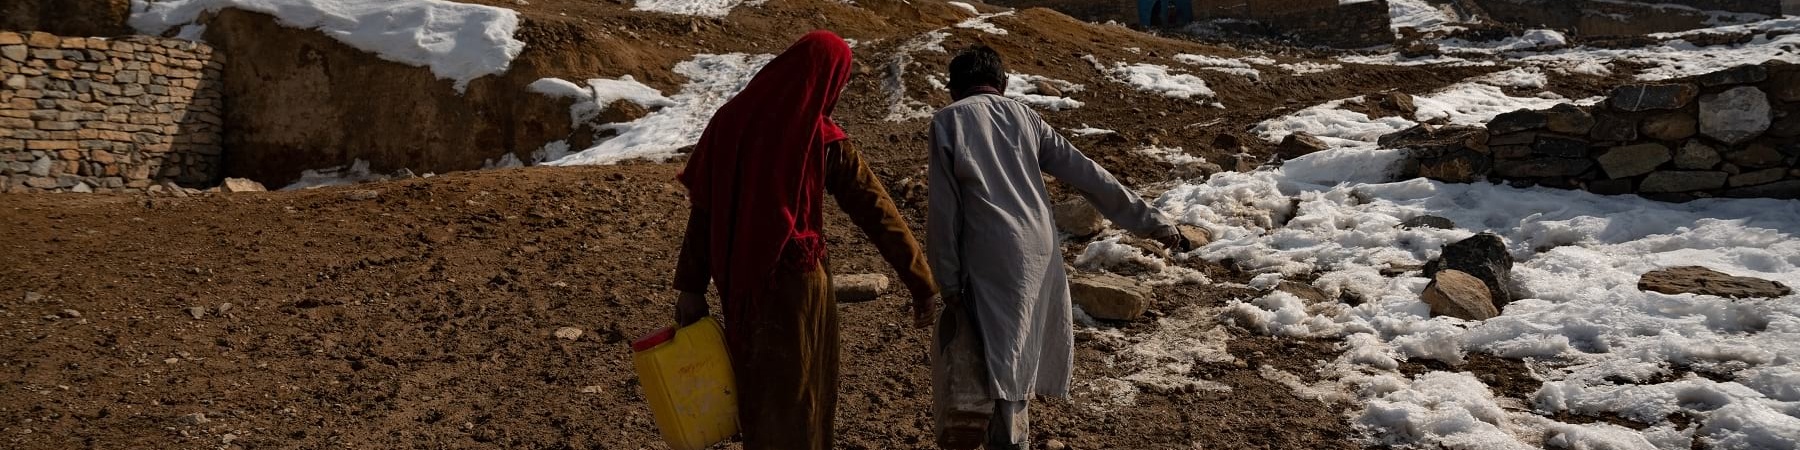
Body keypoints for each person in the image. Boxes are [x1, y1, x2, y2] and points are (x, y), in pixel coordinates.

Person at [671, 30, 939, 450]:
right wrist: (921, 281)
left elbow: (702, 210)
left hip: (741, 284)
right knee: (804, 396)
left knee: (757, 391)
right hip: (799, 284)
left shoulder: (728, 122)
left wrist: (690, 287)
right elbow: (876, 211)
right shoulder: (822, 138)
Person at [926, 46, 1193, 450]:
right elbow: (1092, 177)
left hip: (989, 253)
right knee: (1014, 354)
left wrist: (946, 282)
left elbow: (943, 212)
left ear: (952, 89)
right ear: (1005, 84)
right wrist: (1155, 224)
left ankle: (1009, 442)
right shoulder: (1027, 118)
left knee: (996, 359)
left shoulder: (948, 121)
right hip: (1039, 252)